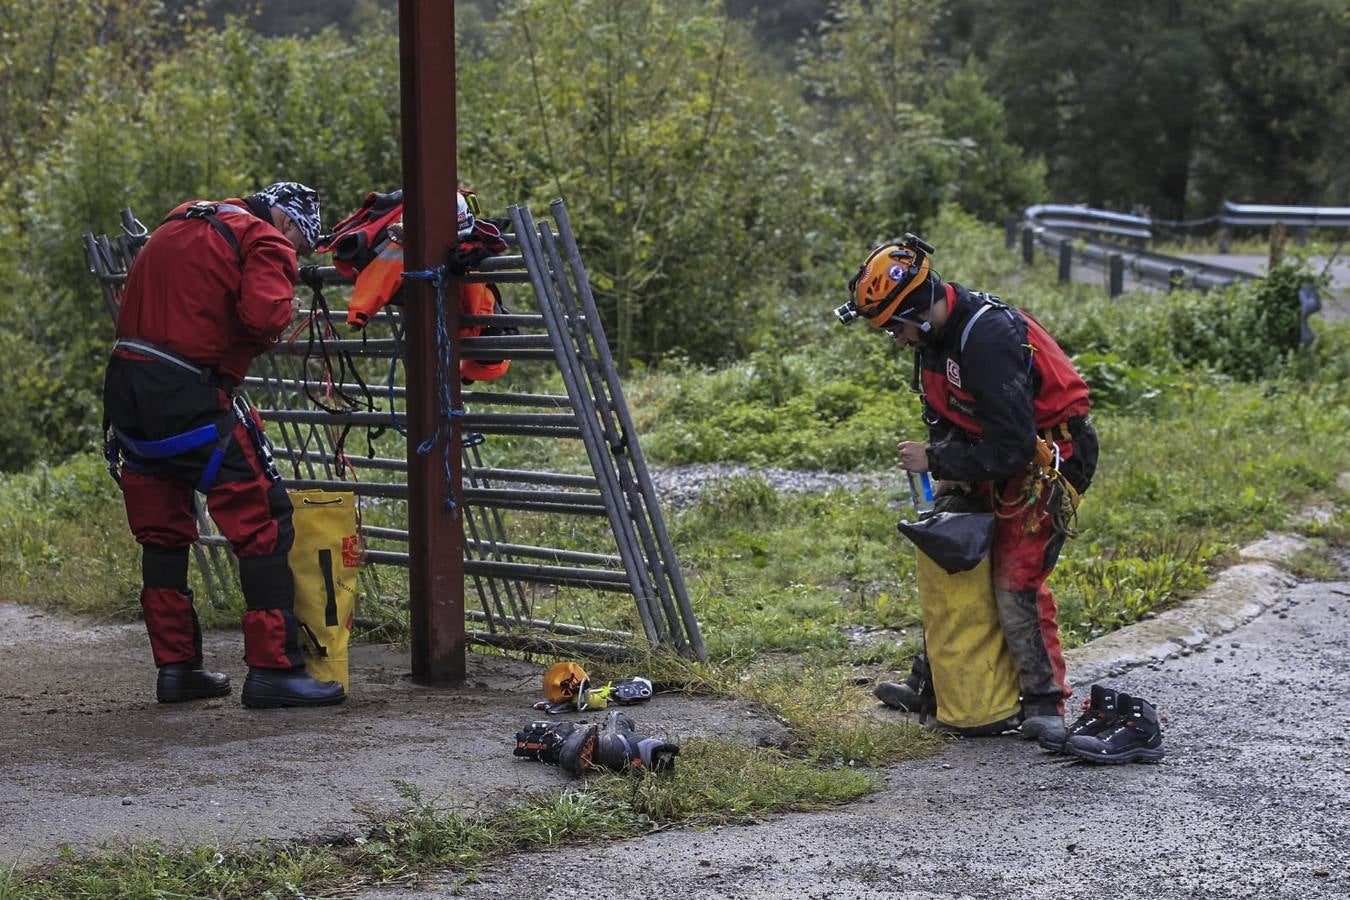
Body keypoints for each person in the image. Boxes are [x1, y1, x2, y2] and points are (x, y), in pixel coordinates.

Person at [840, 235, 1098, 746]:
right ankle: (934, 682)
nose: (895, 338)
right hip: (985, 453)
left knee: (1013, 576)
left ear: (917, 309)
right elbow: (940, 411)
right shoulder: (935, 339)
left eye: (895, 326)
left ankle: (1045, 703)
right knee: (950, 556)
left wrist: (937, 460)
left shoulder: (987, 338)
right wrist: (949, 462)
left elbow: (1013, 446)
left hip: (1047, 457)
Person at [102, 181, 347, 709]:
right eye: (300, 246)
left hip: (126, 389)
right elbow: (263, 318)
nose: (295, 255)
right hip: (188, 391)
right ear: (286, 224)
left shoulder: (178, 220)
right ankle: (273, 672)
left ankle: (178, 670)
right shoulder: (265, 240)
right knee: (263, 515)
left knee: (162, 531)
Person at [315, 187, 514, 384]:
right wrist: (360, 312)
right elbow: (382, 273)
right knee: (491, 349)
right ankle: (463, 372)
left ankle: (465, 370)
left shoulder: (473, 245)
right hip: (445, 326)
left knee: (497, 349)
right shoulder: (406, 245)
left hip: (467, 325)